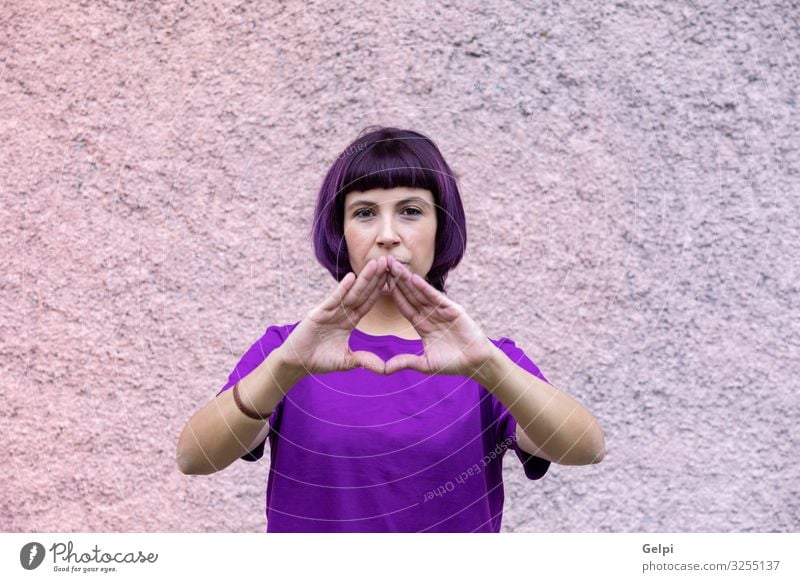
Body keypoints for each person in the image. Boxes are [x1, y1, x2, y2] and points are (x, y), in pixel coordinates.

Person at [176, 126, 606, 532]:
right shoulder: (288, 350)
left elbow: (585, 448)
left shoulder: (486, 359)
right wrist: (285, 368)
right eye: (364, 213)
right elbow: (194, 457)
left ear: (441, 226)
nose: (387, 235)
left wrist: (490, 368)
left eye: (411, 211)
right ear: (340, 232)